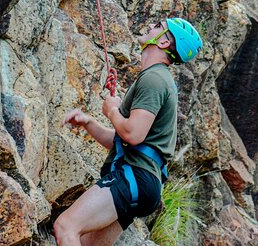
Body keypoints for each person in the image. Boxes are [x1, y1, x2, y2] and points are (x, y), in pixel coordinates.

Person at [54, 18, 203, 245]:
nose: (151, 26)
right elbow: (128, 142)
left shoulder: (154, 79)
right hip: (144, 183)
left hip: (135, 175)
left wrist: (112, 110)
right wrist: (89, 124)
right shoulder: (157, 79)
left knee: (66, 226)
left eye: (158, 26)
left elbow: (133, 134)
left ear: (163, 42)